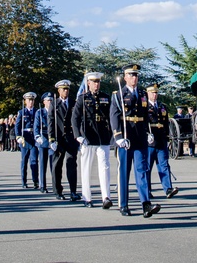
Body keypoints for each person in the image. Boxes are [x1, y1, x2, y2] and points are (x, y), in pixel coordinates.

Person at [110, 64, 161, 218]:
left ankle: (146, 204)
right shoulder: (118, 94)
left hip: (139, 137)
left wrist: (148, 132)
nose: (134, 78)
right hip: (126, 136)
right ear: (125, 77)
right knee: (124, 172)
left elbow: (145, 116)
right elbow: (114, 116)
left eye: (136, 75)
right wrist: (118, 137)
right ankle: (123, 204)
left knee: (142, 171)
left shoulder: (142, 93)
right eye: (131, 75)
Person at [71, 72, 112, 209]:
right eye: (94, 82)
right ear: (88, 83)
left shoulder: (105, 97)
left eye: (98, 82)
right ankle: (87, 197)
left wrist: (112, 134)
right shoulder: (82, 98)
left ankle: (106, 197)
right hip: (88, 137)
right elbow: (75, 118)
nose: (96, 84)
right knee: (86, 168)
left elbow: (110, 117)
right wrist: (78, 135)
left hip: (103, 137)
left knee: (105, 167)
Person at [145, 84, 178, 199]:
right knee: (147, 167)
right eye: (153, 93)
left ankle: (168, 189)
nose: (155, 95)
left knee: (164, 165)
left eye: (156, 93)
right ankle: (147, 190)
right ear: (148, 93)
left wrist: (167, 138)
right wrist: (145, 135)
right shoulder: (143, 107)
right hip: (150, 141)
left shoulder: (162, 106)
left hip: (161, 140)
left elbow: (165, 123)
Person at [49, 79, 79, 202]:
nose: (65, 91)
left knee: (72, 165)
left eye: (67, 89)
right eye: (63, 89)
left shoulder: (73, 103)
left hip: (71, 139)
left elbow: (77, 120)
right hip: (59, 139)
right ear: (59, 90)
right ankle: (58, 191)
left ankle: (73, 191)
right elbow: (51, 122)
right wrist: (51, 139)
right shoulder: (54, 104)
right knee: (57, 165)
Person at [15, 92, 39, 188]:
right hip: (25, 139)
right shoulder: (21, 112)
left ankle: (35, 181)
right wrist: (18, 136)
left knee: (34, 161)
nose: (31, 102)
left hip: (33, 139)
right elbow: (17, 126)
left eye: (32, 100)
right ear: (25, 101)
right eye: (29, 100)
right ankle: (24, 181)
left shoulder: (37, 111)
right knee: (24, 161)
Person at [33, 92, 53, 193]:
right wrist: (37, 137)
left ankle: (55, 186)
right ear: (44, 102)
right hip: (43, 140)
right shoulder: (40, 112)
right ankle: (42, 185)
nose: (50, 102)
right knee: (42, 164)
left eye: (51, 100)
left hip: (52, 141)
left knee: (54, 165)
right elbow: (36, 127)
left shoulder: (54, 111)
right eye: (48, 100)